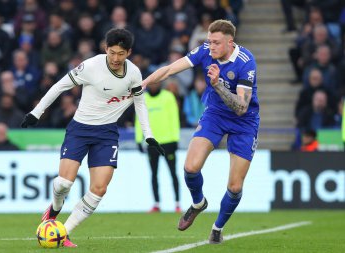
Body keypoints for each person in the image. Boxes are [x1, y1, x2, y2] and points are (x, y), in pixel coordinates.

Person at [20, 28, 165, 248]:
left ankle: (64, 232)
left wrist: (149, 136)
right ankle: (54, 209)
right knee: (63, 184)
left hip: (107, 134)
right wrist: (36, 113)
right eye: (112, 52)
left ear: (129, 52)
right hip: (80, 130)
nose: (116, 58)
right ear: (105, 48)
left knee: (99, 189)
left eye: (121, 53)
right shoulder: (90, 67)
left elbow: (140, 104)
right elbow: (59, 86)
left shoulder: (134, 73)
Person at [142, 19, 259, 244]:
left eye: (216, 43)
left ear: (229, 42)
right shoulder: (205, 50)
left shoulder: (246, 62)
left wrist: (217, 85)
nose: (211, 46)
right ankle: (198, 203)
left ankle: (217, 227)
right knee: (190, 167)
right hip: (215, 114)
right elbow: (170, 69)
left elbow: (242, 108)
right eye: (209, 41)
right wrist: (145, 82)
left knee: (235, 186)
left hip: (245, 123)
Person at [134, 81, 181, 213]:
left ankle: (177, 203)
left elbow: (174, 118)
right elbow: (139, 119)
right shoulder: (143, 99)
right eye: (152, 84)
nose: (153, 86)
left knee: (173, 173)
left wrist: (175, 138)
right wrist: (138, 139)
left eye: (156, 83)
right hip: (152, 143)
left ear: (160, 84)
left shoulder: (168, 97)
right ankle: (156, 203)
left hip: (168, 142)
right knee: (154, 174)